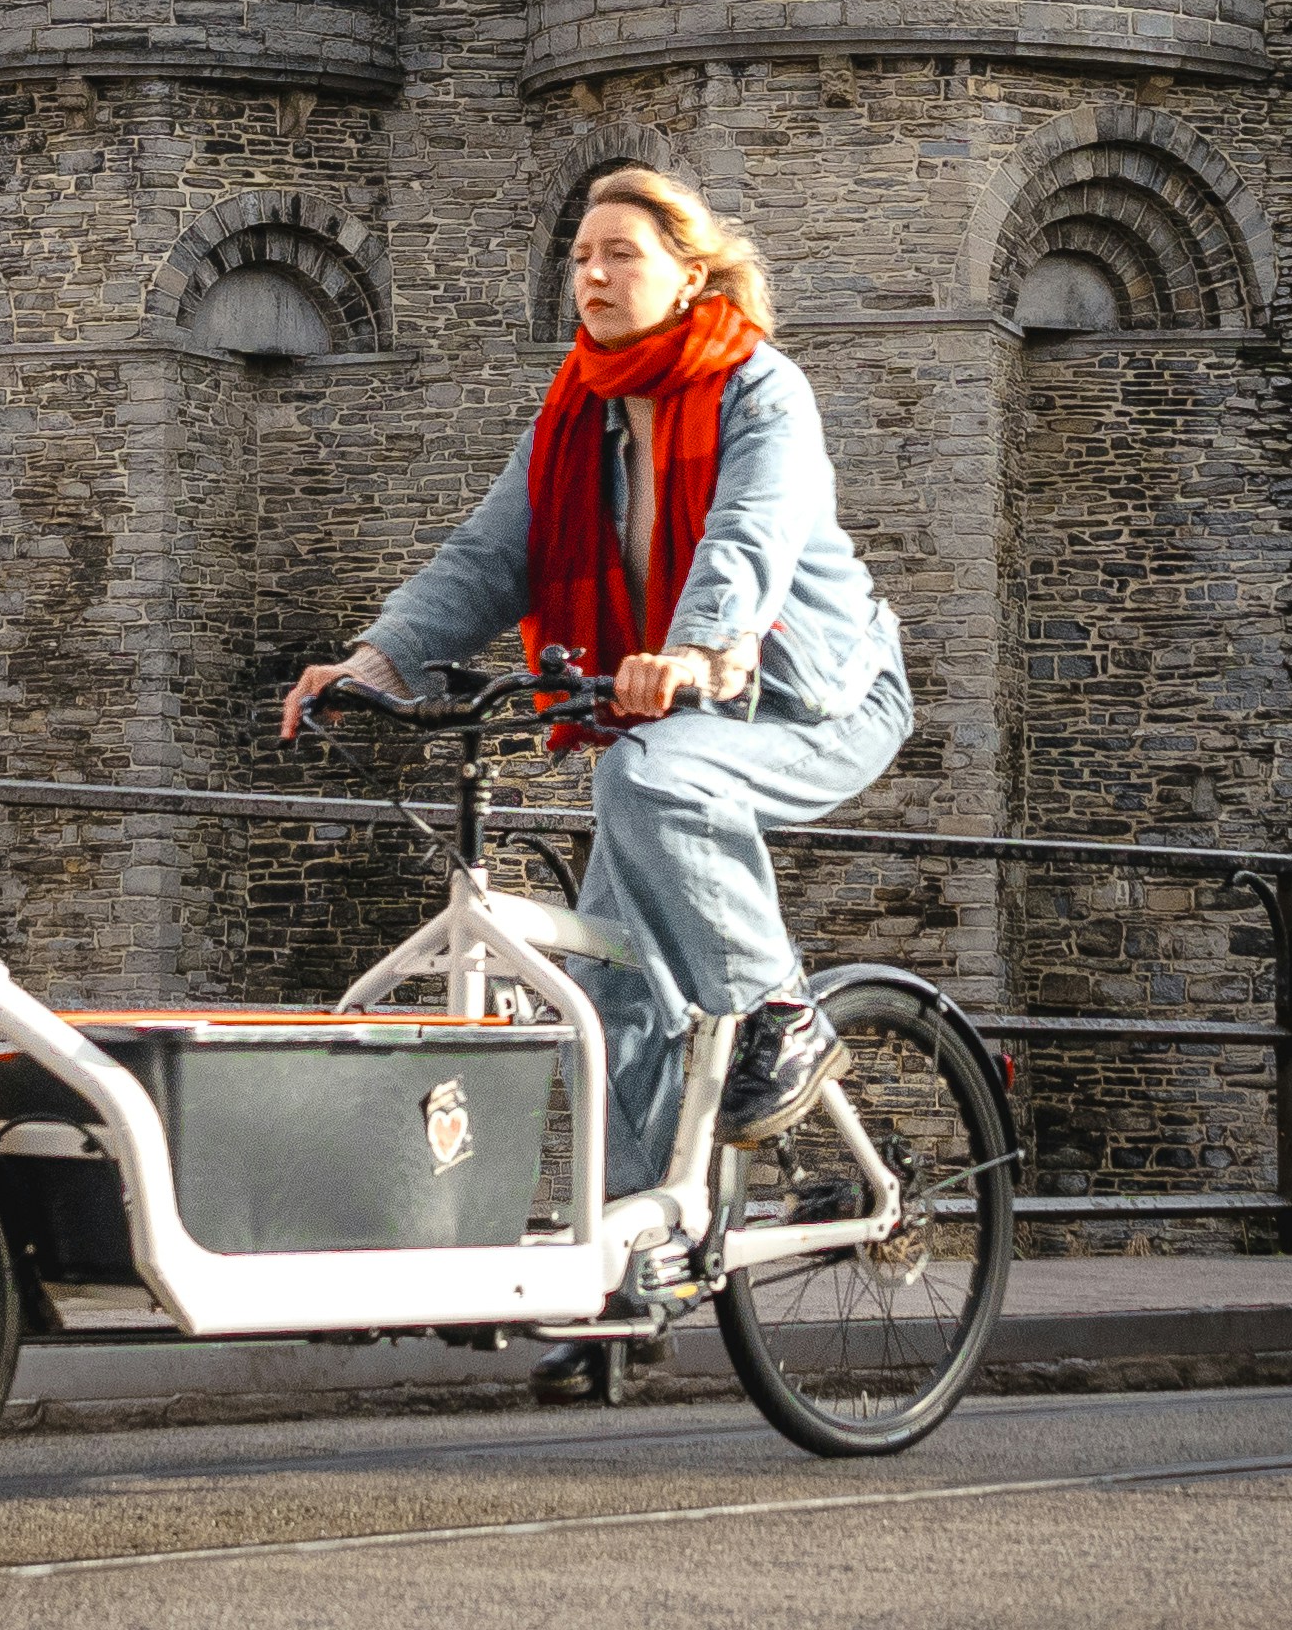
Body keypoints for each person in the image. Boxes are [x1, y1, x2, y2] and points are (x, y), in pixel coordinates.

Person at [280, 167, 905, 1250]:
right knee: (607, 990)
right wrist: (378, 663)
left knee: (648, 776)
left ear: (690, 273)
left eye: (622, 253)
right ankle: (630, 1257)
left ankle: (781, 1014)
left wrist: (697, 650)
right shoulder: (578, 407)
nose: (594, 275)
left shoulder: (763, 389)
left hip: (815, 698)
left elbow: (747, 539)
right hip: (678, 715)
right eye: (580, 257)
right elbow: (492, 555)